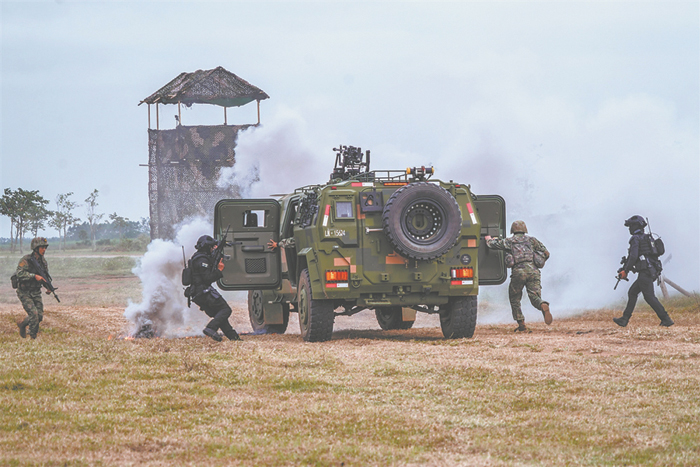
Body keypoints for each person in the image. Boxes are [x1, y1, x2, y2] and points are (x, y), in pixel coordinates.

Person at [485, 220, 552, 332]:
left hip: (518, 272)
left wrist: (488, 239)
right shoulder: (532, 240)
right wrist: (539, 260)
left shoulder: (509, 241)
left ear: (513, 230)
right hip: (534, 272)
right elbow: (547, 253)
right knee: (534, 297)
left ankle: (522, 325)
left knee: (515, 298)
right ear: (525, 229)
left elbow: (492, 245)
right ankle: (542, 304)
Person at [613, 215, 673, 327]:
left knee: (649, 296)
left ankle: (666, 319)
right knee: (633, 292)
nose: (629, 229)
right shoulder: (647, 238)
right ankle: (624, 319)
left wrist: (625, 270)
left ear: (635, 226)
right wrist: (626, 268)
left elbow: (633, 256)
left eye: (630, 226)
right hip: (652, 270)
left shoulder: (636, 238)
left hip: (646, 271)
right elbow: (638, 256)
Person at [189, 235, 241, 341]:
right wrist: (219, 270)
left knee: (220, 315)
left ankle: (234, 338)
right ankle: (211, 328)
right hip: (203, 292)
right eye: (212, 247)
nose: (213, 249)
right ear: (207, 247)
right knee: (225, 310)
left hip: (198, 293)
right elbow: (207, 278)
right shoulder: (202, 259)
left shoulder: (198, 257)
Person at [15, 237, 52, 339]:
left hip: (36, 291)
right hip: (24, 291)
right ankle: (33, 337)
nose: (44, 250)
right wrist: (33, 276)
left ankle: (22, 324)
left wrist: (48, 287)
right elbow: (19, 273)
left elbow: (44, 276)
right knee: (33, 314)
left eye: (45, 248)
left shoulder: (43, 262)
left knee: (39, 316)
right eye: (42, 247)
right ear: (35, 248)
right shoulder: (26, 260)